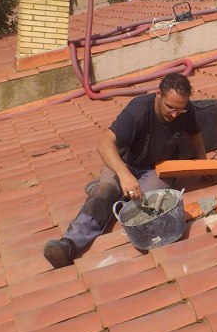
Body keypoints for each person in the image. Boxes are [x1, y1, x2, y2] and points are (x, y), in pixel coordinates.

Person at [43, 73, 207, 268]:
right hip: (125, 164)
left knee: (146, 204)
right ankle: (69, 244)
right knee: (104, 193)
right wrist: (124, 176)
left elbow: (195, 136)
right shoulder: (137, 111)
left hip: (158, 168)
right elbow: (104, 145)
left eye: (180, 109)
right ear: (158, 95)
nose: (175, 114)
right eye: (170, 107)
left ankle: (120, 195)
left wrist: (204, 165)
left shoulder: (185, 110)